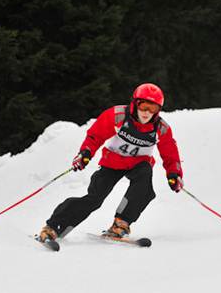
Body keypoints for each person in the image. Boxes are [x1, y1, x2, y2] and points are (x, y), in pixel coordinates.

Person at [38, 82, 184, 241]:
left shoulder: (161, 128)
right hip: (112, 163)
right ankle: (54, 227)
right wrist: (85, 153)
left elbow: (170, 153)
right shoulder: (118, 115)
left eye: (153, 108)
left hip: (138, 164)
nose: (147, 112)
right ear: (135, 103)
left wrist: (174, 174)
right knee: (94, 199)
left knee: (145, 185)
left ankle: (121, 223)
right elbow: (95, 135)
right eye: (143, 106)